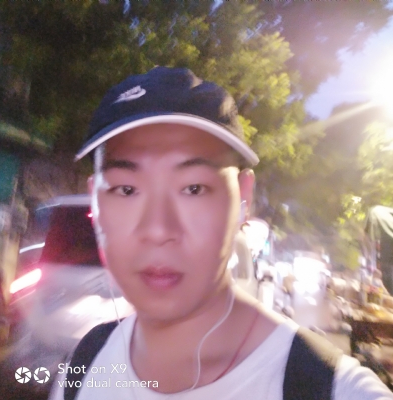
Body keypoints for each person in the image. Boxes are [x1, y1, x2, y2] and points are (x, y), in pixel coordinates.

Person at [49, 67, 393, 399]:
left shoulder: (325, 387)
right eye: (126, 190)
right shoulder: (85, 364)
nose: (158, 229)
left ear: (243, 198)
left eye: (193, 188)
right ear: (96, 201)